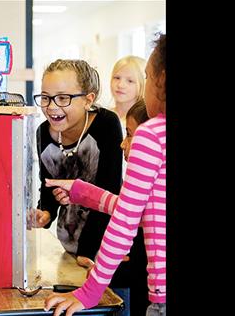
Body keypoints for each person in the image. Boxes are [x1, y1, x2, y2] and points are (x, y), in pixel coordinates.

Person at [43, 33, 166, 316]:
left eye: (145, 78)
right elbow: (145, 210)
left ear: (161, 81)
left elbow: (126, 218)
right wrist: (80, 190)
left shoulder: (151, 134)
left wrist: (90, 291)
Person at [32, 59, 142, 314]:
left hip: (106, 252)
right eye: (46, 98)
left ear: (88, 99)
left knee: (114, 306)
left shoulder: (106, 124)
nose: (52, 107)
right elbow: (47, 186)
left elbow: (109, 190)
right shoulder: (41, 134)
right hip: (69, 249)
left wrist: (88, 250)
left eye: (63, 98)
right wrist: (45, 212)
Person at [109, 55, 146, 127]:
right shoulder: (102, 115)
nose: (120, 85)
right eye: (117, 78)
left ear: (142, 85)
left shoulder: (142, 123)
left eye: (130, 81)